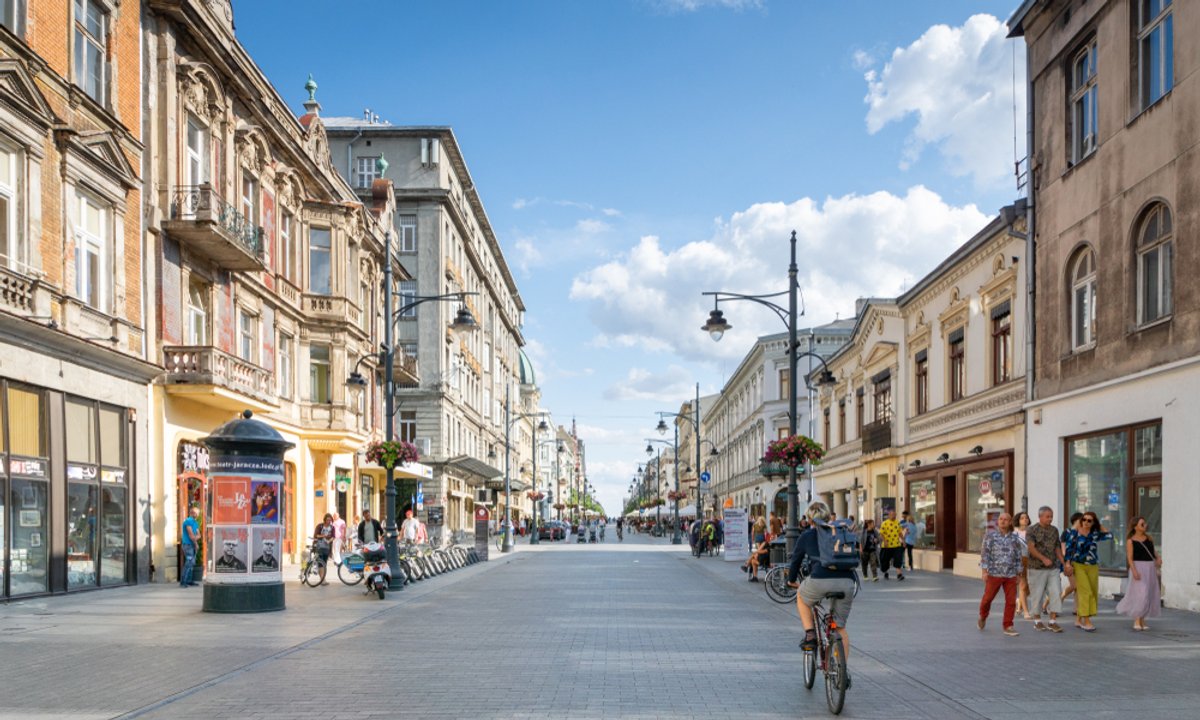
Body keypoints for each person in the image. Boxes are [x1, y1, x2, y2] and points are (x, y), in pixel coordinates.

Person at [786, 502, 858, 683]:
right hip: (847, 581)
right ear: (827, 516)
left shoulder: (807, 535)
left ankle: (810, 634)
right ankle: (842, 671)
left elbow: (795, 560)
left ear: (810, 519)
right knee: (840, 627)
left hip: (819, 579)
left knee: (802, 597)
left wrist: (791, 580)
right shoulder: (841, 532)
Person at [1062, 510, 1113, 631]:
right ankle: (1087, 621)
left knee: (1093, 592)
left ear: (1093, 522)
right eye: (1084, 519)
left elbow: (1110, 535)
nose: (1085, 522)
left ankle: (1078, 620)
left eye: (1089, 520)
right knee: (1086, 592)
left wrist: (1098, 525)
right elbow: (1068, 549)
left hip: (1093, 566)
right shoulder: (1074, 533)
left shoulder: (1095, 534)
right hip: (1078, 565)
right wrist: (1067, 563)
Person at [977, 511, 1026, 636]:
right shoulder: (990, 536)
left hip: (1010, 575)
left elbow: (1018, 556)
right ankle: (983, 616)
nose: (1002, 521)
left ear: (1010, 522)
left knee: (1011, 601)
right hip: (994, 574)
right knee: (987, 599)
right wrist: (984, 571)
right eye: (1000, 519)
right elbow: (985, 554)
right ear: (998, 521)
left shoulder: (1015, 539)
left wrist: (1019, 574)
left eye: (1005, 519)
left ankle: (1008, 625)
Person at [1116, 516, 1162, 631]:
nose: (1145, 526)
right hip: (1138, 567)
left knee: (1149, 593)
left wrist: (1158, 558)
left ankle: (1142, 620)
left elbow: (1153, 551)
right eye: (1142, 524)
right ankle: (1136, 620)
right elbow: (1130, 558)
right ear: (1135, 527)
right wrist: (1134, 571)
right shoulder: (1130, 541)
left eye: (1145, 523)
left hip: (1150, 568)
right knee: (1141, 593)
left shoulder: (1148, 538)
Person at [1025, 506, 1066, 633]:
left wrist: (1064, 563)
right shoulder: (1032, 530)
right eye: (1048, 516)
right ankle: (1037, 621)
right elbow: (1031, 548)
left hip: (1053, 568)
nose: (1050, 519)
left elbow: (1057, 548)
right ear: (1040, 517)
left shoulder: (1054, 530)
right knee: (1037, 595)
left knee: (1056, 592)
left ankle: (1052, 622)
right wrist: (1043, 559)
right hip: (1036, 568)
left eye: (1051, 516)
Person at [1058, 512, 1084, 611]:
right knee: (1074, 585)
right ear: (1077, 520)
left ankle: (1076, 608)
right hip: (1069, 562)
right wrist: (1066, 562)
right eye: (1082, 520)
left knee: (1078, 587)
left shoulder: (1083, 533)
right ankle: (1060, 599)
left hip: (1080, 562)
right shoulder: (1067, 532)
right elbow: (1063, 549)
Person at [1012, 511, 1032, 619]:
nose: (1025, 519)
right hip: (1021, 561)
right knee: (1023, 586)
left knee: (1029, 587)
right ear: (1018, 521)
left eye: (1026, 518)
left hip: (1033, 561)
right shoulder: (1014, 535)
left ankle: (1019, 600)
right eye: (1022, 518)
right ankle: (1026, 612)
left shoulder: (1032, 532)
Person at [879, 510, 905, 581]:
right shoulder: (884, 523)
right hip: (887, 546)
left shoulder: (897, 523)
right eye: (892, 514)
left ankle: (899, 574)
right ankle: (886, 572)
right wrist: (885, 541)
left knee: (898, 559)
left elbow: (900, 533)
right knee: (885, 561)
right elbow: (881, 533)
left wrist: (903, 541)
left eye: (895, 514)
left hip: (896, 545)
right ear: (889, 515)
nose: (894, 516)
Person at [180, 505, 200, 587]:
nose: (198, 515)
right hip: (188, 545)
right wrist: (196, 543)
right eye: (197, 513)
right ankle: (183, 581)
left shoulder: (195, 522)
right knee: (189, 562)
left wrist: (195, 541)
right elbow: (191, 535)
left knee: (192, 563)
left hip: (192, 544)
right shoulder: (188, 521)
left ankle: (189, 580)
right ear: (193, 513)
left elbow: (199, 535)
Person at [312, 514, 334, 585]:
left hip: (327, 547)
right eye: (327, 520)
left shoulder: (332, 527)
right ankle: (322, 579)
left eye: (330, 520)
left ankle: (323, 578)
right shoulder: (320, 526)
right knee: (320, 563)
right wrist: (323, 536)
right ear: (324, 520)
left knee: (324, 563)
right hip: (318, 546)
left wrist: (329, 541)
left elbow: (333, 537)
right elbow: (316, 535)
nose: (329, 521)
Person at [744, 517, 769, 582]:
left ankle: (747, 564)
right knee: (758, 551)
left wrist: (752, 539)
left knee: (758, 551)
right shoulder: (764, 525)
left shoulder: (755, 525)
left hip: (757, 537)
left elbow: (752, 532)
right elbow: (766, 532)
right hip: (762, 537)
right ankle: (747, 565)